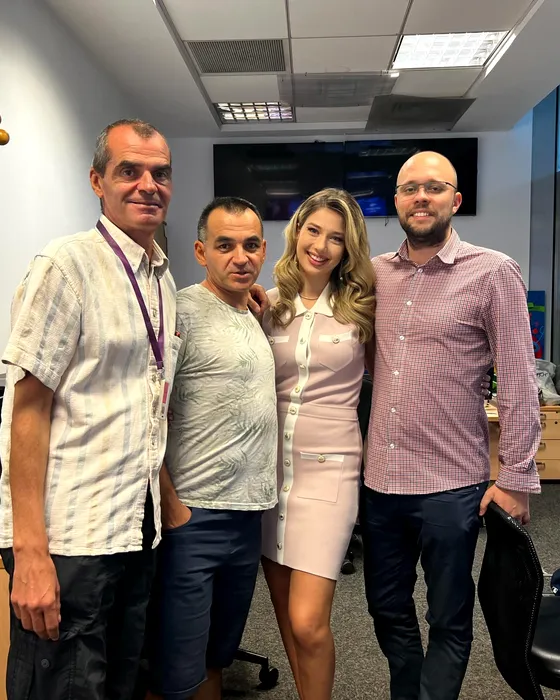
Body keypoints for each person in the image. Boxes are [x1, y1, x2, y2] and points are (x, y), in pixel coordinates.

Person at [0, 119, 181, 700]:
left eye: (160, 173)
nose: (148, 185)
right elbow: (26, 410)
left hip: (135, 529)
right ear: (98, 181)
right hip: (69, 537)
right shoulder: (66, 265)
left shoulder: (162, 279)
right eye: (130, 171)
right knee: (62, 687)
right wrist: (30, 551)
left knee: (118, 684)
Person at [361, 151, 541, 700]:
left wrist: (516, 477)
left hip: (451, 485)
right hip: (381, 484)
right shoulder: (374, 274)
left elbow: (518, 379)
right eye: (409, 188)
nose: (421, 197)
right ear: (396, 201)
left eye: (435, 187)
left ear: (455, 200)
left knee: (448, 616)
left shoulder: (493, 272)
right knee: (387, 609)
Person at [145, 197, 278, 700]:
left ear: (263, 250)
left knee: (217, 654)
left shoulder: (255, 312)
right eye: (225, 246)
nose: (240, 257)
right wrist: (171, 504)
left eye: (250, 245)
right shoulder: (179, 312)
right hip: (193, 516)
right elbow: (147, 414)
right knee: (175, 666)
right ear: (201, 252)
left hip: (247, 517)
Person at [260, 188, 376, 700]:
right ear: (297, 231)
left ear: (349, 248)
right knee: (287, 619)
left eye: (336, 238)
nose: (321, 246)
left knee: (308, 621)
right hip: (269, 476)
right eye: (314, 231)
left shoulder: (364, 310)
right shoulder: (268, 304)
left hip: (330, 475)